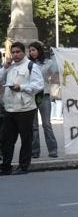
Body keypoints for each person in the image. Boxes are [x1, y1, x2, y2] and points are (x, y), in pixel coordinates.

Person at [0, 42, 44, 175]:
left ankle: (23, 166)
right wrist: (5, 67)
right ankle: (6, 167)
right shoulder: (10, 67)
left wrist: (22, 87)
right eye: (13, 52)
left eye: (18, 52)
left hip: (25, 108)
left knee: (26, 139)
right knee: (7, 140)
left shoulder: (31, 66)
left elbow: (39, 85)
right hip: (9, 108)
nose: (15, 55)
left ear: (23, 52)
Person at [29, 41, 59, 158]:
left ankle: (53, 149)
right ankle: (35, 151)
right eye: (30, 50)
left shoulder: (48, 62)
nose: (32, 52)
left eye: (34, 50)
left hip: (44, 95)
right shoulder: (28, 64)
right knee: (34, 126)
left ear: (39, 50)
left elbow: (56, 71)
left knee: (46, 124)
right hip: (31, 96)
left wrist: (54, 56)